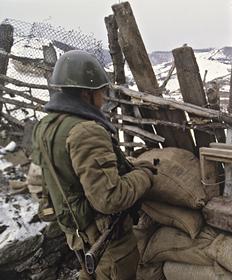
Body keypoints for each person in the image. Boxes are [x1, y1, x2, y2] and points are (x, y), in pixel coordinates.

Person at [32, 50, 153, 280]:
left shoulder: (45, 126)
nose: (105, 98)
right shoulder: (86, 131)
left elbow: (38, 182)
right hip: (107, 238)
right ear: (87, 94)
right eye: (102, 91)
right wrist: (144, 176)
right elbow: (110, 198)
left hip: (77, 234)